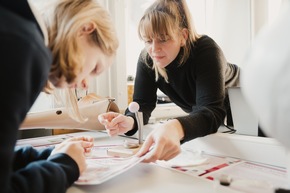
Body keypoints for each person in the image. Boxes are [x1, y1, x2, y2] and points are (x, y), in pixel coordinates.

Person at [98, 0, 239, 163]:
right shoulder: (147, 58)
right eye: (148, 40)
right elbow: (142, 104)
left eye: (163, 39)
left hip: (251, 106)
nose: (154, 49)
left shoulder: (206, 51)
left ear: (183, 36)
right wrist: (129, 121)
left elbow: (212, 111)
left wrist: (174, 126)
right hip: (215, 122)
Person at [0, 0, 118, 192]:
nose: (87, 83)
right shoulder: (25, 49)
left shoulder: (13, 27)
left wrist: (50, 155)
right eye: (95, 68)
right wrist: (64, 166)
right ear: (85, 29)